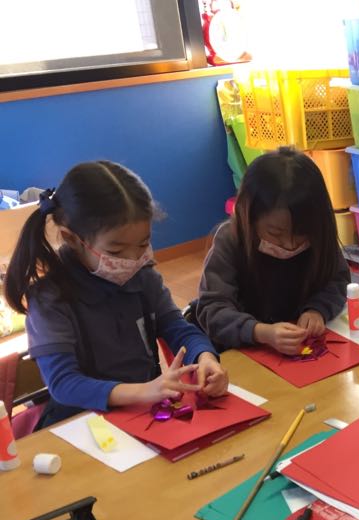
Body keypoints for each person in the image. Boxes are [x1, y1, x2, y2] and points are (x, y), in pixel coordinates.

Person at [3, 161, 227, 429]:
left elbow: (177, 327)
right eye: (116, 252)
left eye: (143, 244)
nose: (133, 259)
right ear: (71, 238)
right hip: (81, 424)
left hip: (144, 413)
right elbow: (64, 383)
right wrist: (142, 391)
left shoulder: (142, 276)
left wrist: (205, 358)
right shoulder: (50, 298)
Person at [196, 147, 351, 354]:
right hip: (242, 353)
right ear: (248, 216)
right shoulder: (230, 241)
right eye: (275, 233)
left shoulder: (318, 237)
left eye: (301, 233)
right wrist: (260, 332)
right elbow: (212, 310)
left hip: (298, 350)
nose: (289, 244)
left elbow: (337, 280)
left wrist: (317, 310)